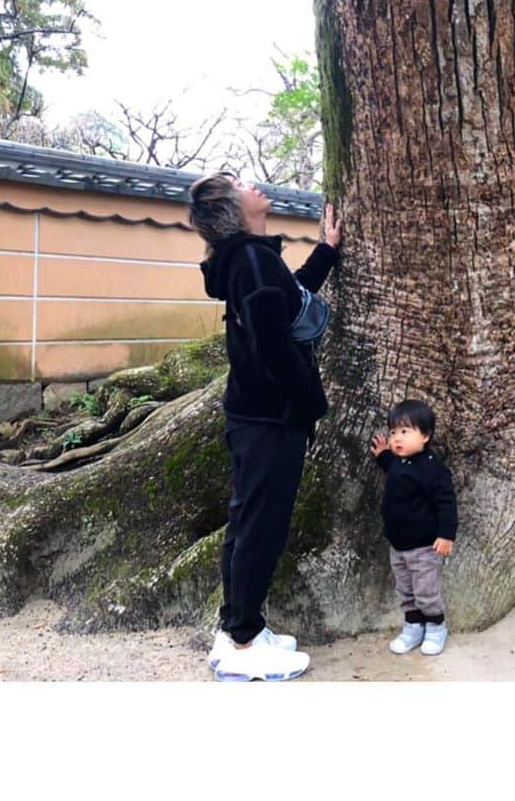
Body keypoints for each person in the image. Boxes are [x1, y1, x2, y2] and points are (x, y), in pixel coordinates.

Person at [188, 171, 342, 682]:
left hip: (254, 415)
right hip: (269, 417)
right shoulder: (252, 260)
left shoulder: (249, 260)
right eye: (241, 184)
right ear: (234, 208)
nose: (254, 186)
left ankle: (239, 626)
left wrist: (327, 251)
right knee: (260, 526)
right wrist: (309, 401)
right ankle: (244, 644)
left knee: (247, 522)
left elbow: (290, 301)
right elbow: (274, 343)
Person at [370, 399, 457, 656]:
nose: (397, 438)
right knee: (406, 591)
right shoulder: (398, 461)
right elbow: (392, 468)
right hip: (398, 546)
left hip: (424, 547)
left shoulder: (432, 468)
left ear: (426, 435)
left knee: (426, 592)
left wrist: (446, 535)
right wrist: (383, 454)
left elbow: (446, 503)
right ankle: (413, 626)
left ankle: (436, 627)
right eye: (394, 432)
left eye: (405, 432)